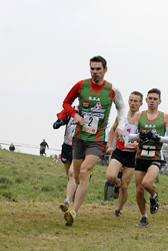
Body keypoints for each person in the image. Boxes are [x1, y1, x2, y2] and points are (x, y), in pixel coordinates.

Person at [59, 55, 128, 226]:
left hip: (97, 141)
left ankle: (74, 212)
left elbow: (121, 107)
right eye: (92, 69)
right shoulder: (81, 85)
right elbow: (66, 103)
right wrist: (74, 114)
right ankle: (72, 199)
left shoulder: (112, 90)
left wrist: (121, 126)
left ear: (105, 70)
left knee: (84, 171)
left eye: (98, 69)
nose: (95, 72)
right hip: (80, 137)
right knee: (76, 176)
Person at [128, 88, 168, 226]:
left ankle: (154, 196)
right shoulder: (139, 115)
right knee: (139, 189)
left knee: (147, 183)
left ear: (160, 101)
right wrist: (139, 135)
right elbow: (130, 137)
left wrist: (158, 138)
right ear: (146, 100)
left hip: (155, 156)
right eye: (150, 98)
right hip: (141, 155)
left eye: (155, 99)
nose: (152, 101)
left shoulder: (165, 117)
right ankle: (144, 216)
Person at [105, 91, 143, 218]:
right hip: (120, 152)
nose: (132, 103)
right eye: (130, 100)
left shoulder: (143, 119)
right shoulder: (122, 117)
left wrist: (140, 145)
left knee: (125, 187)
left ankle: (119, 209)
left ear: (141, 103)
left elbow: (146, 137)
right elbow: (112, 129)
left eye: (135, 101)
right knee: (110, 176)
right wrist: (110, 145)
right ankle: (117, 182)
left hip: (132, 156)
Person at [55, 108, 78, 214]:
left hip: (79, 147)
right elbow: (56, 124)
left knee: (72, 174)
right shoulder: (70, 110)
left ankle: (68, 202)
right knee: (70, 177)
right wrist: (60, 122)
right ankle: (74, 196)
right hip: (67, 146)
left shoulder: (90, 110)